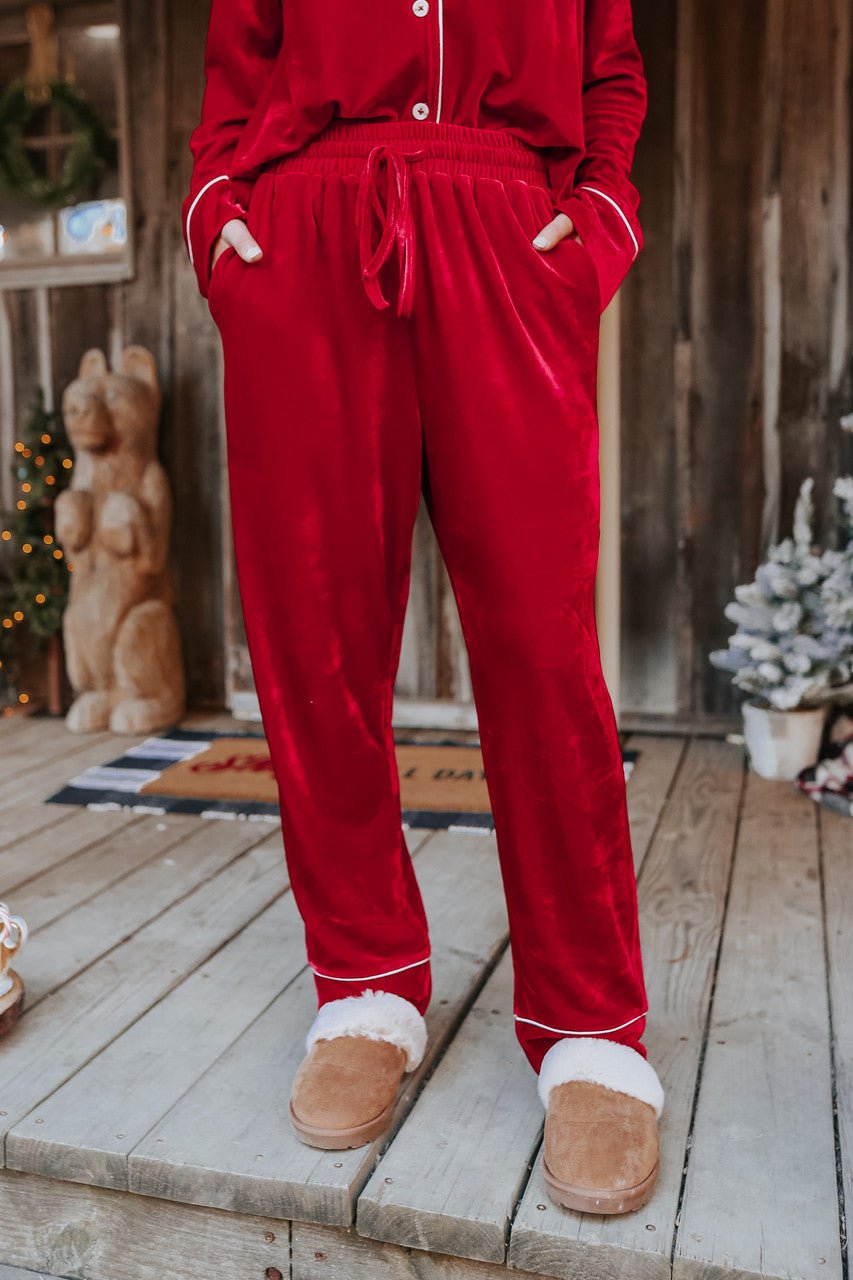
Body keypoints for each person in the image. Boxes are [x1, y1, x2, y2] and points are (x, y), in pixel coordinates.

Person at [182, 0, 664, 1215]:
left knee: (541, 639)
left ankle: (590, 1024)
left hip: (505, 229)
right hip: (305, 232)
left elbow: (609, 66)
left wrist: (596, 217)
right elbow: (233, 75)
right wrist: (222, 225)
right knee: (314, 637)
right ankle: (364, 983)